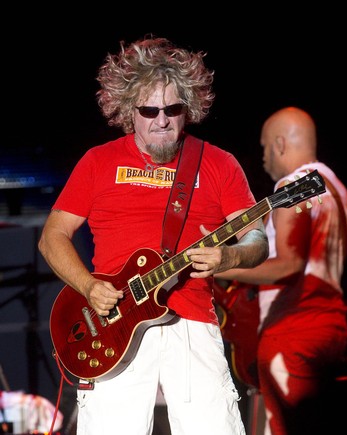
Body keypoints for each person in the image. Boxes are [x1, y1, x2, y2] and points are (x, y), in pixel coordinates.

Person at [38, 35, 269, 435]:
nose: (161, 120)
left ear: (189, 108)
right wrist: (89, 286)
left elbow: (257, 240)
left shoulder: (218, 163)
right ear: (128, 108)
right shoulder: (98, 161)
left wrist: (230, 258)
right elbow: (52, 236)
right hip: (110, 325)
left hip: (192, 322)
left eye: (172, 109)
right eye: (148, 110)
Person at [216, 106, 347, 435]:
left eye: (264, 147)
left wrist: (222, 263)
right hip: (332, 326)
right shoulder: (338, 189)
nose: (263, 157)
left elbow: (290, 265)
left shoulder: (292, 185)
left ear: (279, 144)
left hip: (293, 329)